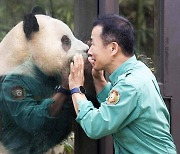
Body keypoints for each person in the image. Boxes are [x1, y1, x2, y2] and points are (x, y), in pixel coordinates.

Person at [68, 14, 177, 153]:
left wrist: (76, 89)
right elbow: (119, 107)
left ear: (113, 48)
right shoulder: (139, 70)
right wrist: (99, 79)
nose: (89, 51)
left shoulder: (130, 84)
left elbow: (94, 126)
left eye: (93, 44)